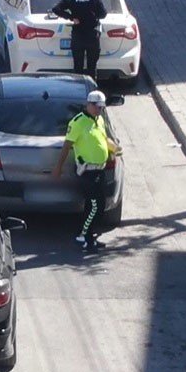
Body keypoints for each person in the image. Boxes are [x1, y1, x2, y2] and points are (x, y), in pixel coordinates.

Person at [51, 90, 120, 253]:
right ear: (88, 104)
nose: (99, 110)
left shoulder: (99, 120)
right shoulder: (77, 123)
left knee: (98, 205)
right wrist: (58, 168)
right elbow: (67, 146)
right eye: (97, 107)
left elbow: (103, 139)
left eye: (102, 107)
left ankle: (89, 237)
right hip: (87, 172)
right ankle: (82, 235)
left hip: (100, 170)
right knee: (95, 205)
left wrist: (113, 149)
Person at [51, 0, 107, 80]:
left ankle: (79, 89)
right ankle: (92, 89)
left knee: (78, 67)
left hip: (78, 37)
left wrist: (71, 17)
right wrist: (94, 15)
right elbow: (103, 14)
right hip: (92, 36)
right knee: (92, 67)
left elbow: (56, 9)